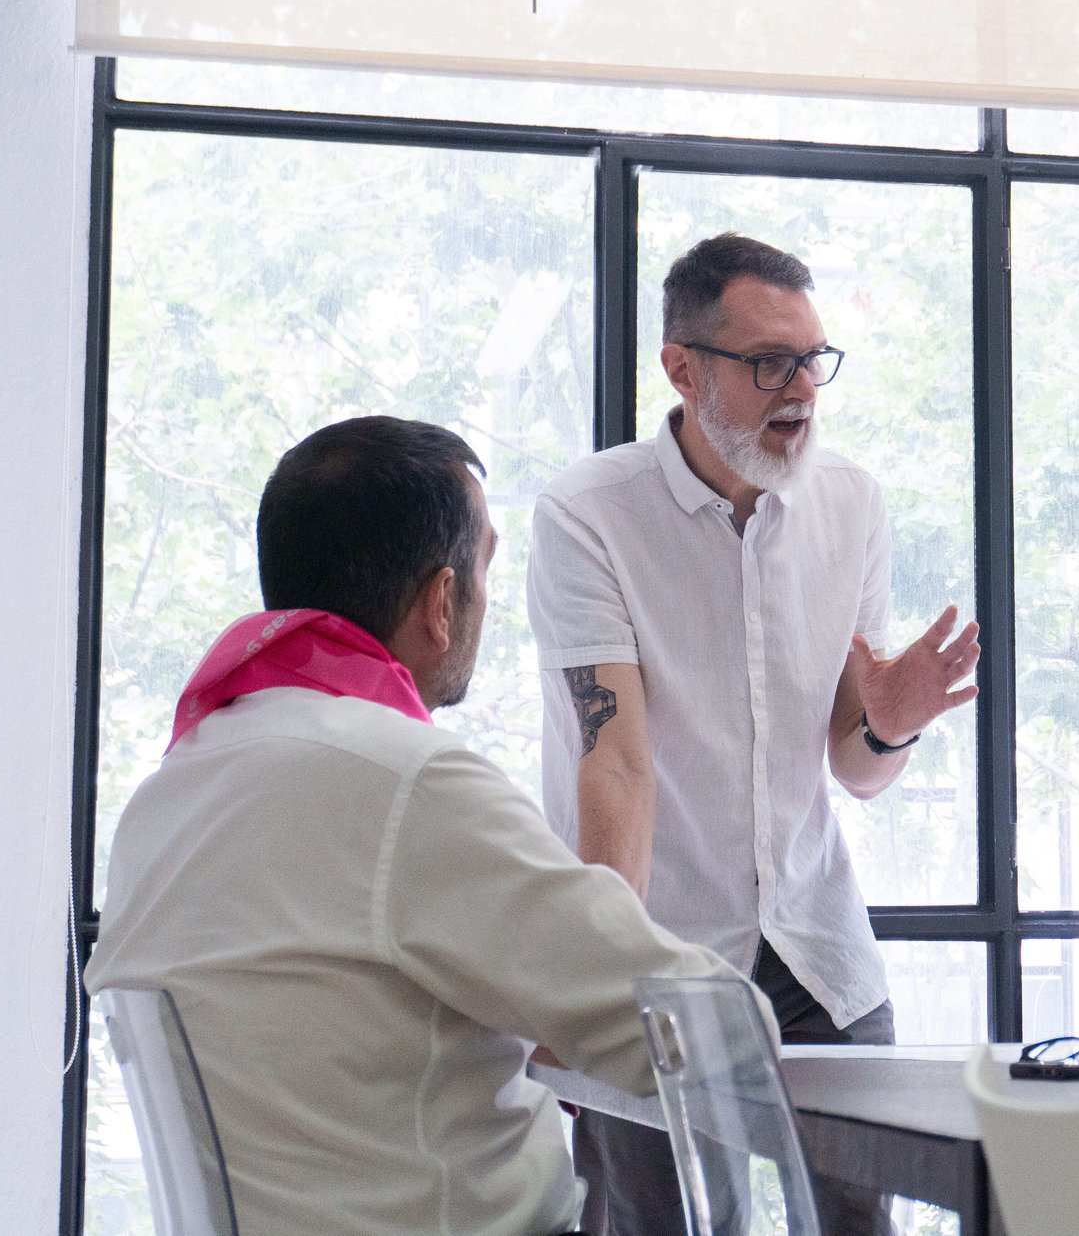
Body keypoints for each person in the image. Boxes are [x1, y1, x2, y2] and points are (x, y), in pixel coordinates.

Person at [84, 416, 766, 1236]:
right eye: (484, 569)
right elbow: (687, 1020)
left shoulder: (166, 793)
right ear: (443, 600)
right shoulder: (406, 782)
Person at [528, 233, 979, 1233]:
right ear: (682, 368)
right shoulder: (587, 515)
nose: (802, 389)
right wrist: (595, 983)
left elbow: (850, 769)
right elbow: (617, 763)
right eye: (769, 361)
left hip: (816, 954)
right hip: (658, 953)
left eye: (814, 359)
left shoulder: (849, 502)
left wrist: (891, 727)